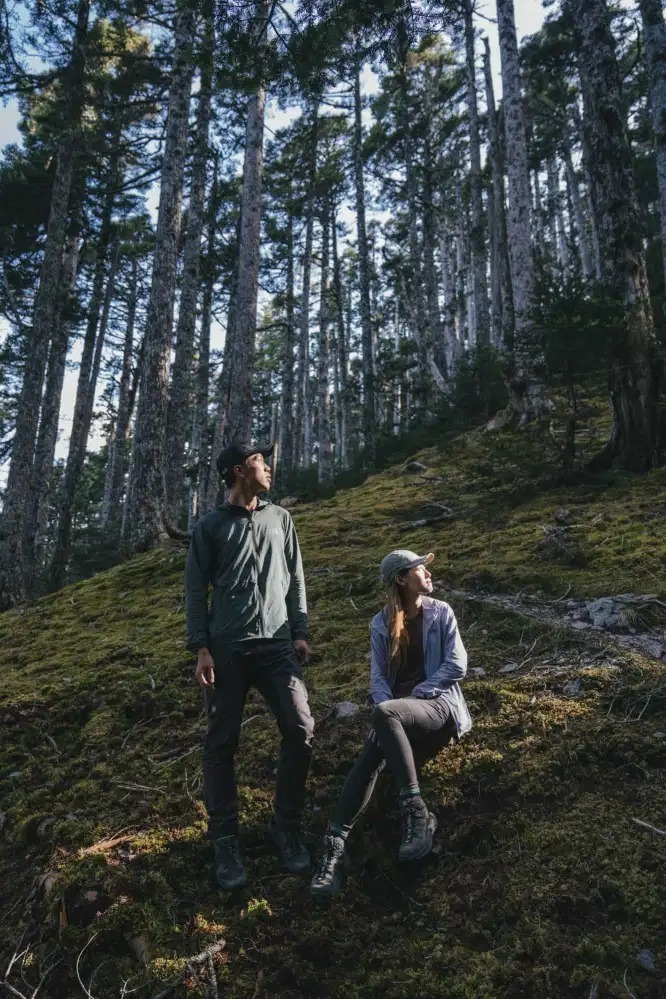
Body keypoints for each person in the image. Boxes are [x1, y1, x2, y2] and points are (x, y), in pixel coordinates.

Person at [185, 441, 315, 891]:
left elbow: (295, 576)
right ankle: (225, 840)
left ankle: (286, 826)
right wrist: (201, 647)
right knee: (222, 744)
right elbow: (195, 589)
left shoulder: (281, 519)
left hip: (278, 645)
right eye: (262, 464)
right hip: (226, 651)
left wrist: (299, 631)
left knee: (300, 729)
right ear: (241, 471)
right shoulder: (210, 527)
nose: (269, 469)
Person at [310, 548, 472, 899]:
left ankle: (416, 811)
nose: (427, 573)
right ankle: (335, 849)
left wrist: (408, 701)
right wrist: (387, 712)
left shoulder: (441, 612)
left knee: (386, 716)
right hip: (397, 717)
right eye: (419, 568)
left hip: (437, 707)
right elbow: (378, 680)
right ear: (402, 579)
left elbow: (457, 665)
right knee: (371, 752)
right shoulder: (380, 623)